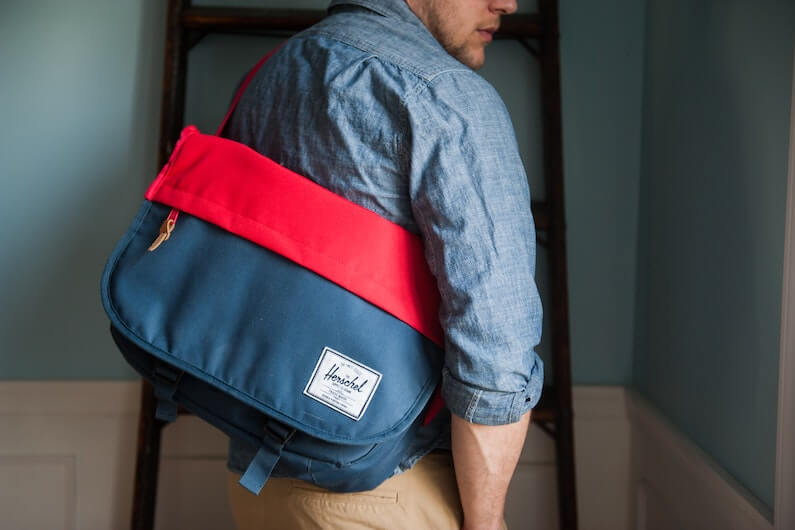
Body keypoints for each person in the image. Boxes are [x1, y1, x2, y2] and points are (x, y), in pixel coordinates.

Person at [224, 0, 544, 528]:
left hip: (258, 483)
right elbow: (495, 345)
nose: (507, 3)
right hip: (385, 493)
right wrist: (486, 521)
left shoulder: (271, 71)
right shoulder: (447, 95)